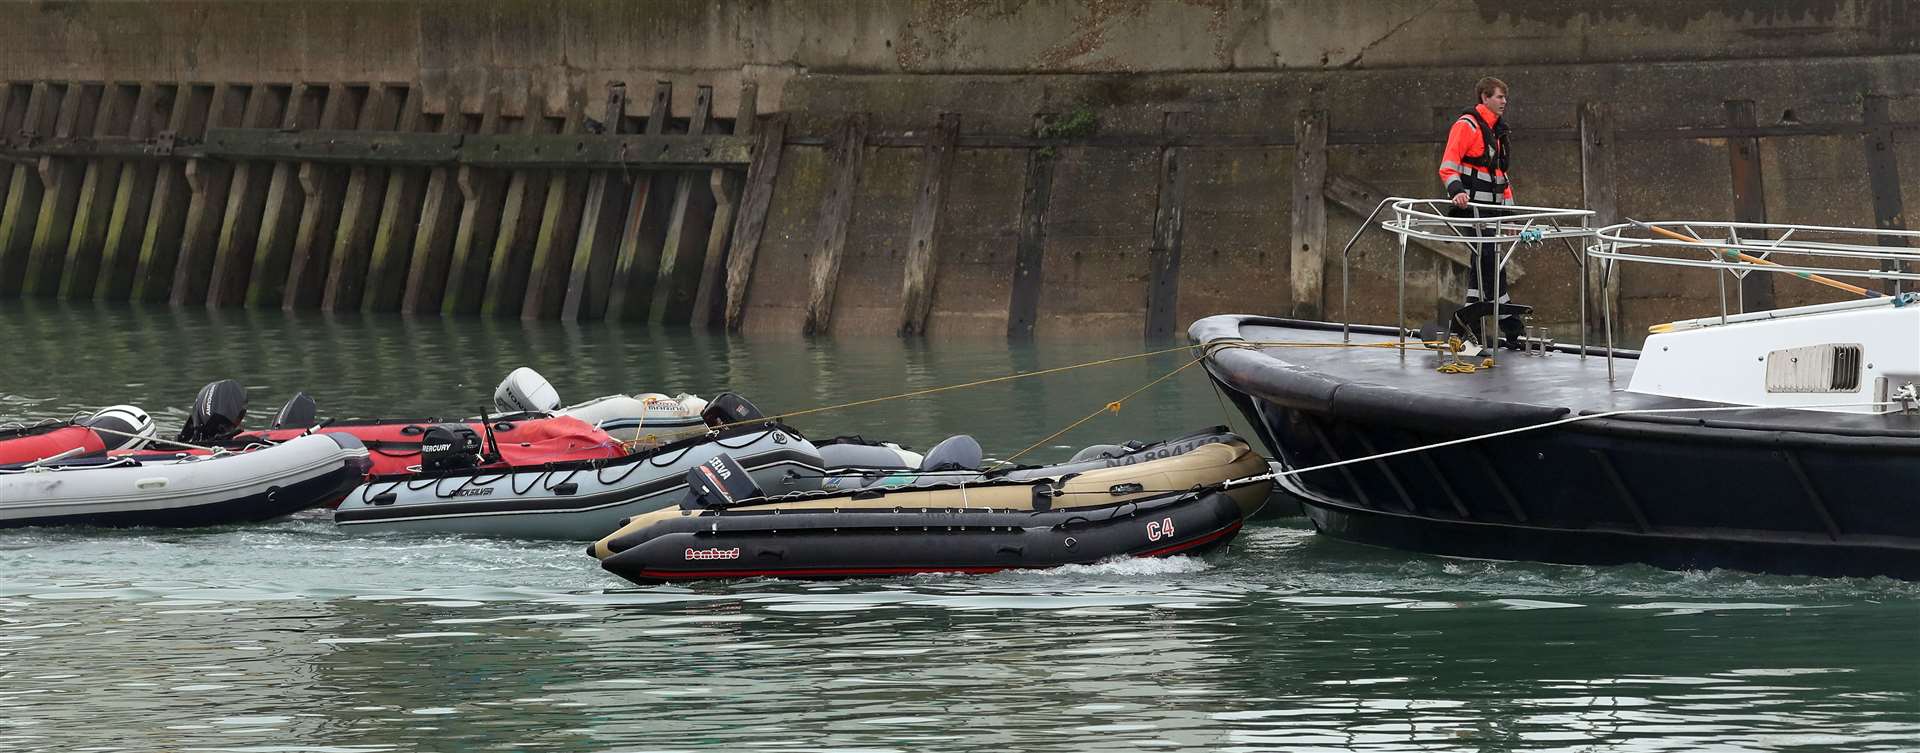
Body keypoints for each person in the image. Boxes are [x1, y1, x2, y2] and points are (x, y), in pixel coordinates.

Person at [1437, 76, 1524, 348]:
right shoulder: (1467, 126)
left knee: (1484, 261)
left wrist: (1509, 217)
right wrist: (1457, 192)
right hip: (1471, 209)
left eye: (1505, 98)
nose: (1504, 102)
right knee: (1488, 258)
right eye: (1499, 97)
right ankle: (1509, 323)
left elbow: (1501, 178)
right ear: (1485, 98)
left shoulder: (1496, 133)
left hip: (1492, 212)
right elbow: (1448, 166)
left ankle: (1465, 324)